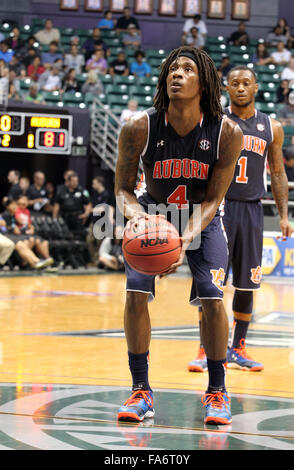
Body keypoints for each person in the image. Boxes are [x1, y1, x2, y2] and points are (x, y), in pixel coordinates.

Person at [115, 45, 243, 425]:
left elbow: (215, 197)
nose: (176, 73)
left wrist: (184, 236)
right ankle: (141, 390)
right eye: (172, 68)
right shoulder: (140, 126)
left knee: (213, 299)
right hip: (152, 211)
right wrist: (140, 220)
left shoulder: (227, 132)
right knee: (135, 291)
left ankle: (217, 391)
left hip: (202, 217)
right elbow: (122, 190)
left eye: (187, 69)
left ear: (203, 83)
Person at [188, 65, 293, 375]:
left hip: (251, 209)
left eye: (246, 83)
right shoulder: (215, 122)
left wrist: (285, 216)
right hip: (217, 209)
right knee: (210, 282)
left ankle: (238, 348)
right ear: (227, 88)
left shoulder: (271, 127)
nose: (241, 88)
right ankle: (205, 349)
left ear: (256, 87)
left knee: (248, 283)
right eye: (235, 83)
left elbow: (277, 172)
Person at [87, 176, 114, 266]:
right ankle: (94, 260)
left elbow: (104, 209)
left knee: (99, 242)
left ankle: (99, 261)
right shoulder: (95, 194)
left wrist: (92, 210)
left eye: (94, 183)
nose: (93, 185)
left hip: (102, 222)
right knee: (89, 240)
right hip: (94, 221)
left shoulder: (106, 194)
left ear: (100, 183)